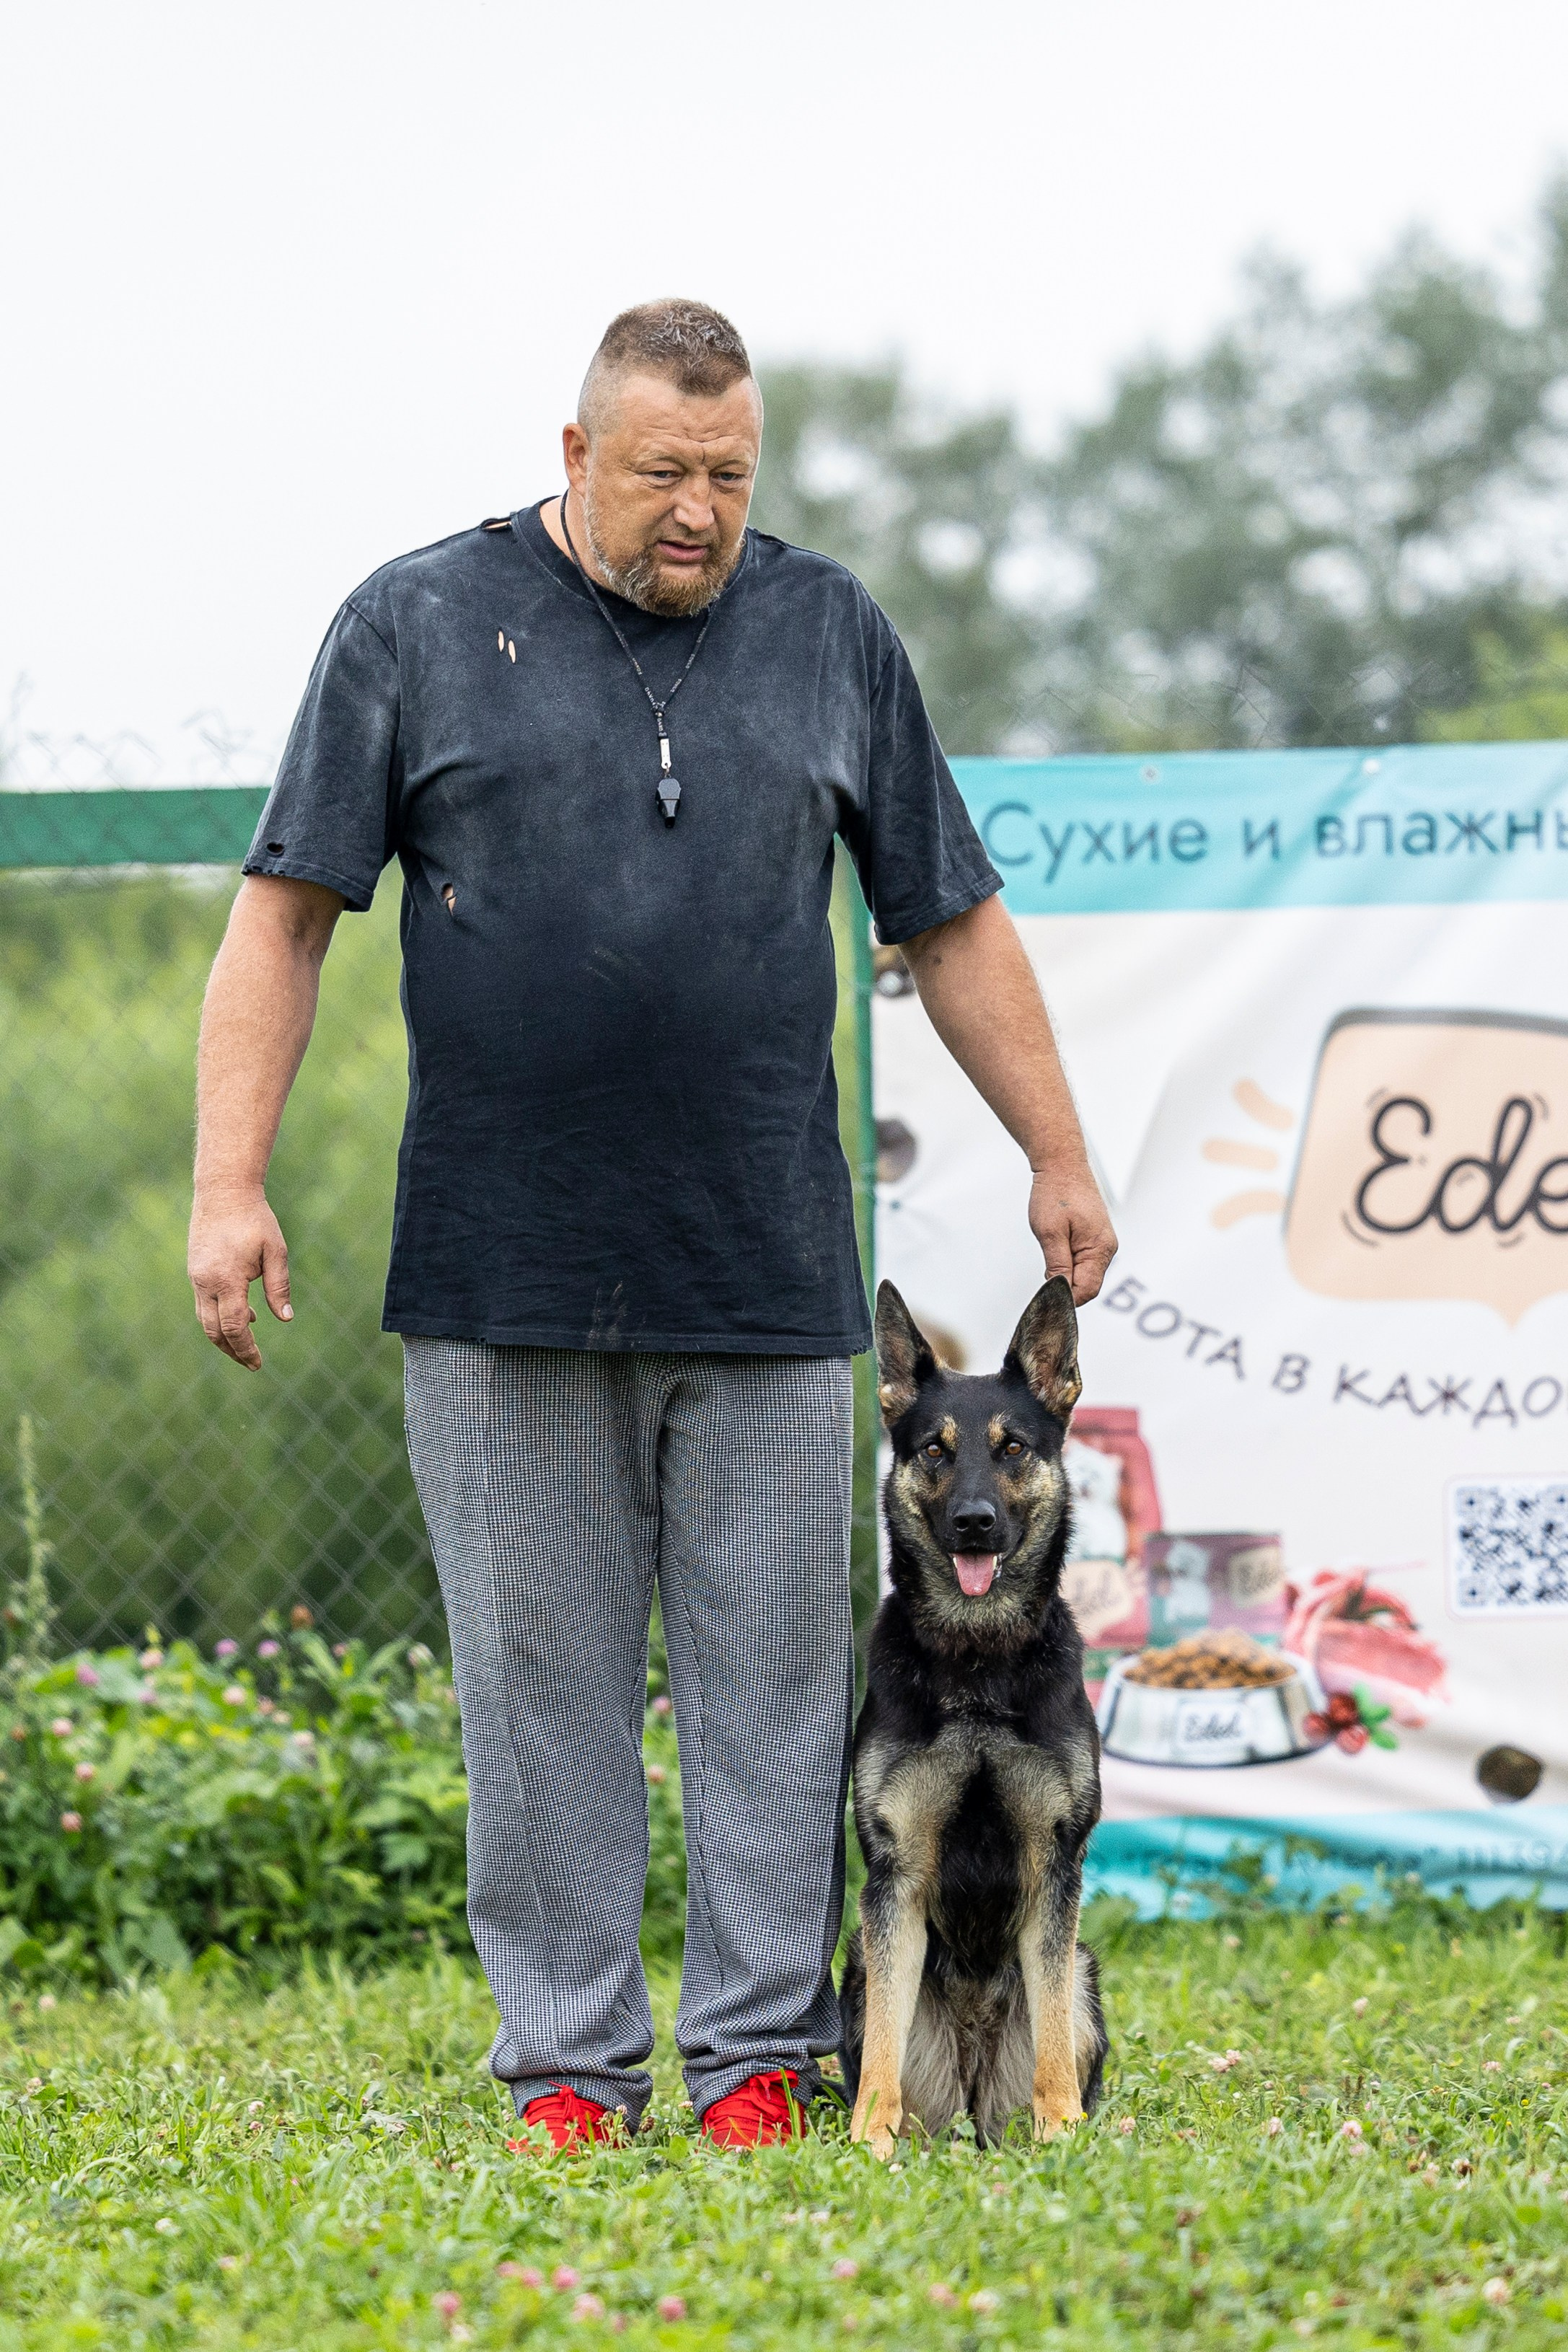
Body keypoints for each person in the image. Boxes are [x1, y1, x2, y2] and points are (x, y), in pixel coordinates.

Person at [187, 299, 1116, 2151]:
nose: (698, 510)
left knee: (778, 1694)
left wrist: (1057, 1152)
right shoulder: (414, 623)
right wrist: (228, 1181)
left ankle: (759, 2061)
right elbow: (282, 915)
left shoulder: (831, 629)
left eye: (730, 475)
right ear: (576, 454)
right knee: (541, 1701)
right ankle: (568, 2068)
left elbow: (949, 918)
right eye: (662, 472)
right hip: (502, 1272)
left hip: (762, 1270)